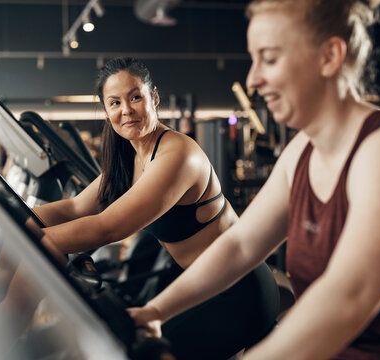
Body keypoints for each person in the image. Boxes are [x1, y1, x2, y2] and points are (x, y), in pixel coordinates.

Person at [128, 1, 380, 359]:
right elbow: (241, 246)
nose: (253, 79)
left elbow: (348, 298)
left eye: (269, 58)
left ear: (329, 57)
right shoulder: (303, 151)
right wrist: (156, 311)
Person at [16, 57, 279, 360]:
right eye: (114, 103)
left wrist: (29, 239)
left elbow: (108, 227)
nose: (125, 110)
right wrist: (10, 216)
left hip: (238, 290)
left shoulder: (177, 154)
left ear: (154, 98)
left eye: (135, 97)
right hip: (199, 285)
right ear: (106, 111)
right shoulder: (130, 158)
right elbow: (76, 208)